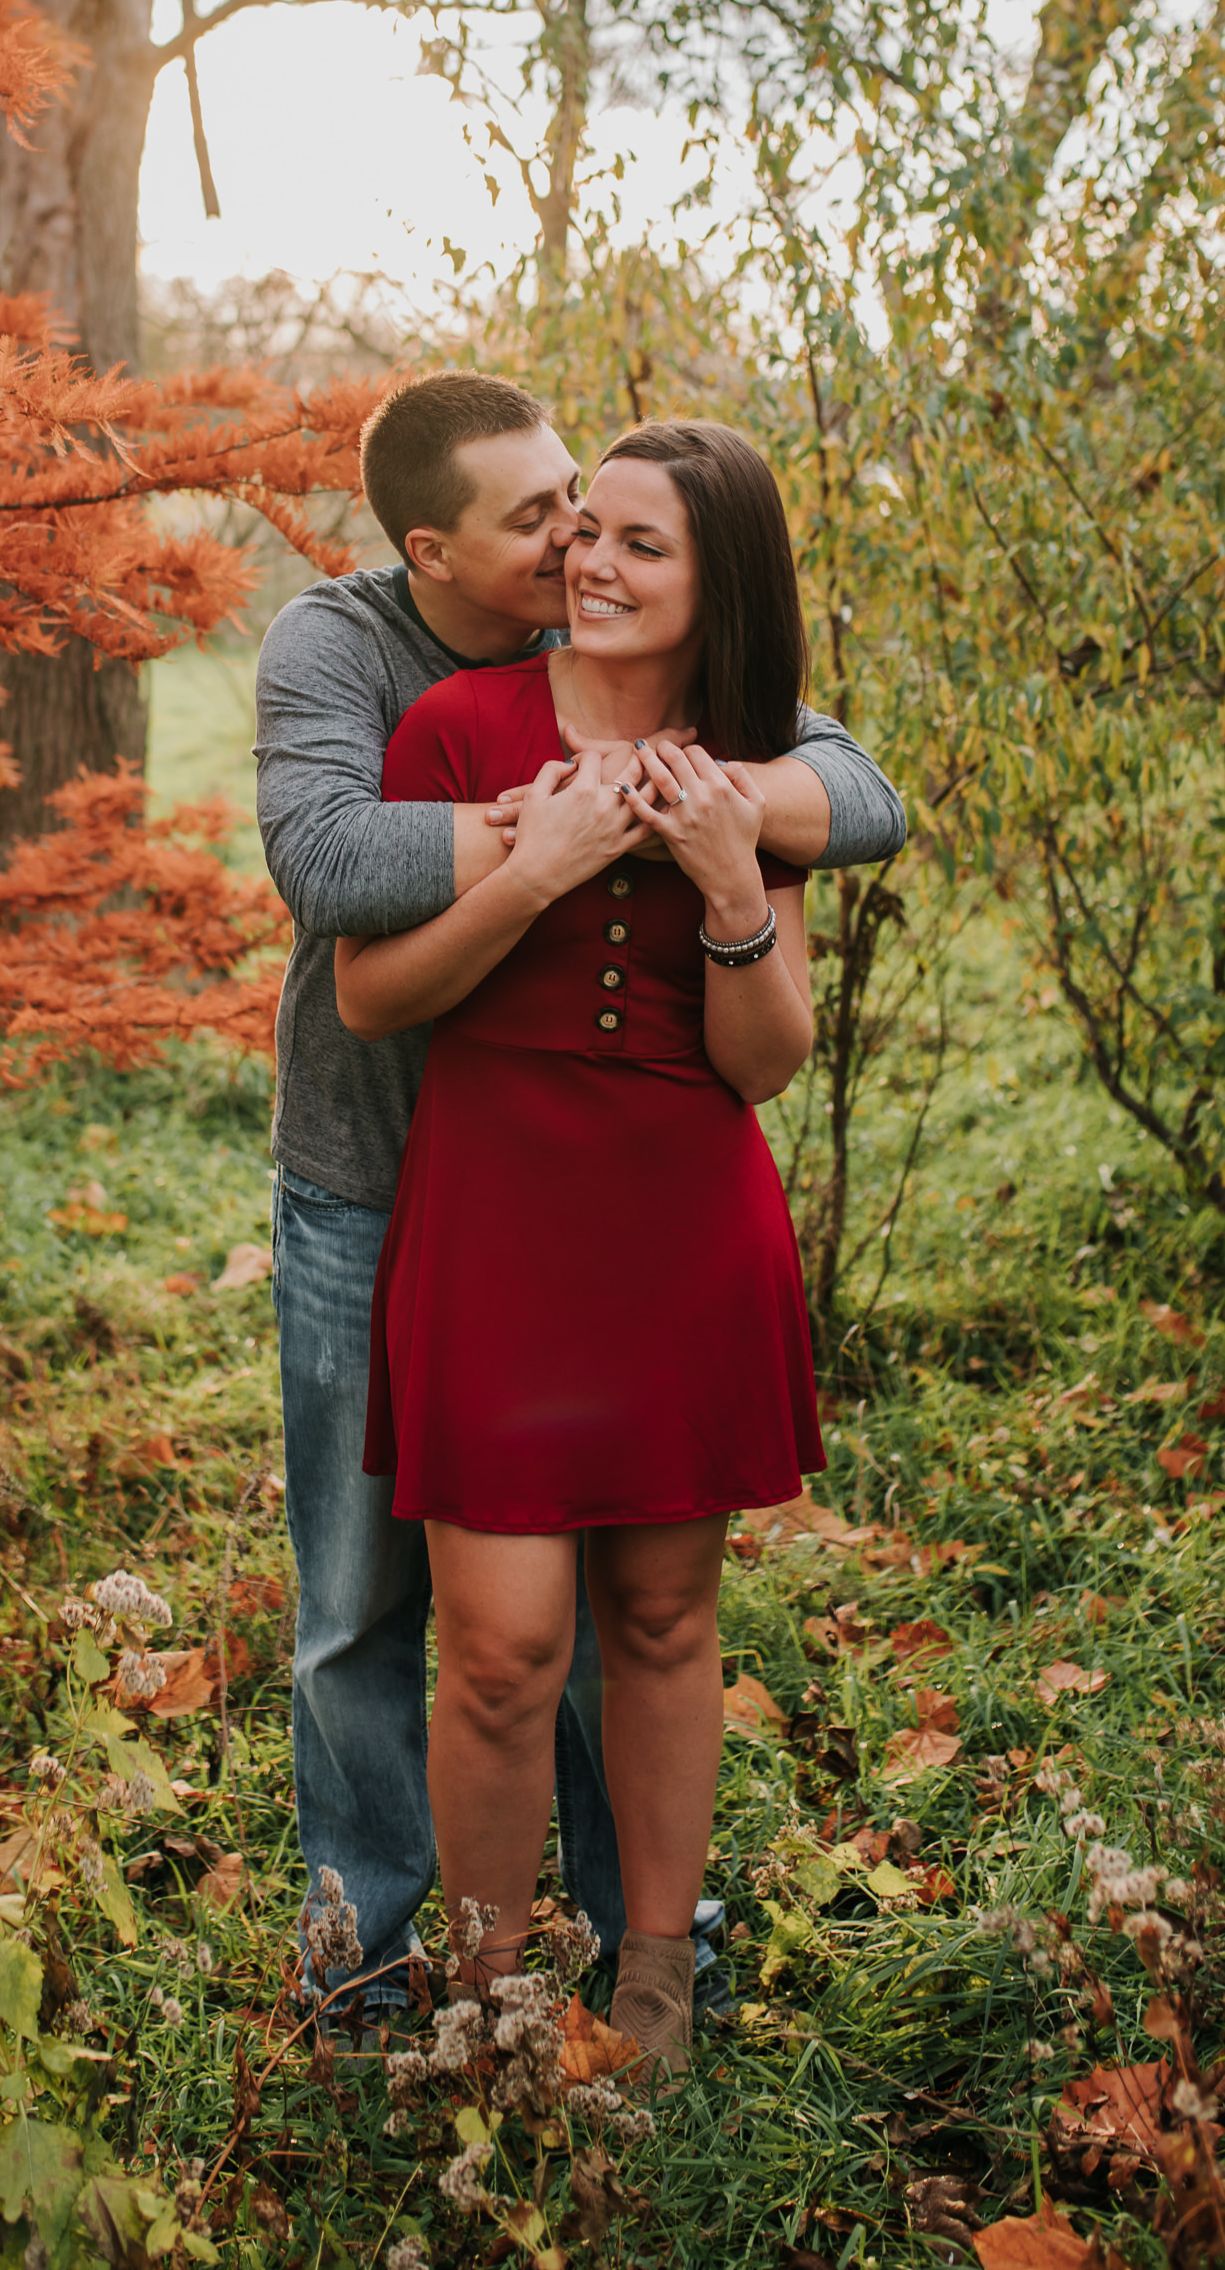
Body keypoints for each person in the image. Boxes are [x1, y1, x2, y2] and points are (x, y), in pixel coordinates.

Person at [252, 374, 904, 2025]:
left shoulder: (759, 770)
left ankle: (658, 1972)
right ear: (441, 547)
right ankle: (462, 1993)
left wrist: (728, 872)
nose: (582, 558)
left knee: (668, 1621)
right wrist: (536, 860)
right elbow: (368, 975)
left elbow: (767, 1063)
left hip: (681, 1237)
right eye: (565, 527)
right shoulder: (431, 713)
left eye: (626, 538)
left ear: (718, 584)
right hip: (477, 1226)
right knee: (488, 1647)